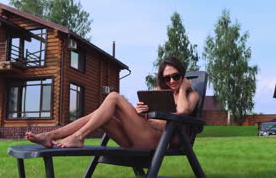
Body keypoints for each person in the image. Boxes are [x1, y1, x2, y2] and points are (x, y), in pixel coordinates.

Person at [25, 56, 200, 149]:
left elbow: (183, 111)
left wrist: (183, 89)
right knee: (102, 117)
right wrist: (142, 112)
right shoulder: (157, 94)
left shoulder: (191, 95)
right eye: (167, 77)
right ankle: (50, 136)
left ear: (183, 76)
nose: (171, 81)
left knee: (114, 97)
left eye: (176, 76)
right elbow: (148, 118)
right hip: (136, 138)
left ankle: (78, 137)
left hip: (159, 142)